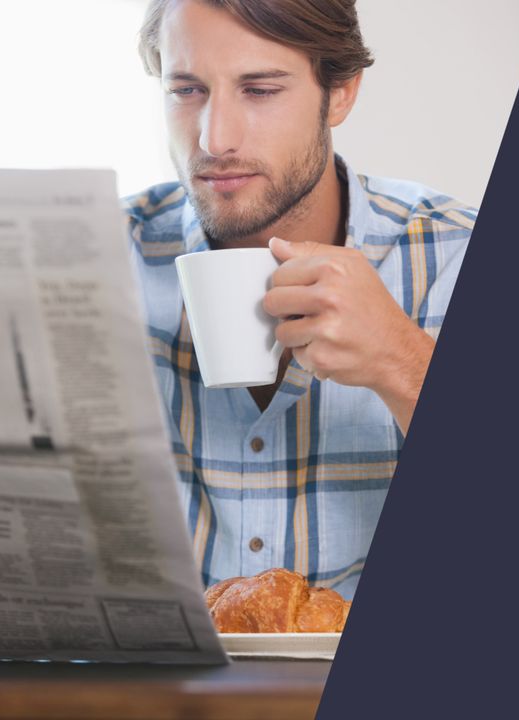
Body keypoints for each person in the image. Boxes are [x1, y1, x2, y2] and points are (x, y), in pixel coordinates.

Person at [123, 0, 474, 599]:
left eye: (259, 90)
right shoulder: (104, 258)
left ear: (339, 93)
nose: (215, 139)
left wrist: (404, 364)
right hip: (149, 692)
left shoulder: (456, 254)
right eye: (187, 89)